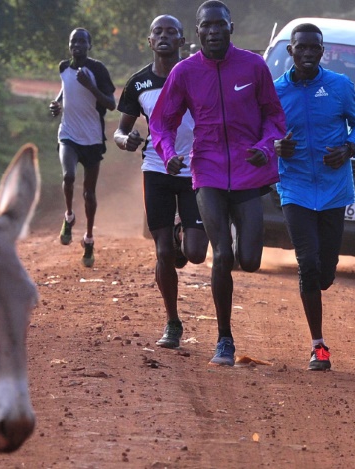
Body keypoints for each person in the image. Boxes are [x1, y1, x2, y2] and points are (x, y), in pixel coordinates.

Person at [149, 1, 286, 366]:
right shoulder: (185, 72)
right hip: (206, 170)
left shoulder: (254, 66)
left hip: (248, 172)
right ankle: (224, 338)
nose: (213, 31)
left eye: (219, 25)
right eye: (206, 26)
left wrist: (263, 146)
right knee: (221, 255)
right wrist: (167, 154)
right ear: (197, 32)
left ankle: (235, 242)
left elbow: (274, 116)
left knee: (250, 260)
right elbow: (162, 121)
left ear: (231, 27)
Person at [273, 23, 355, 370]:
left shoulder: (340, 86)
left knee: (324, 273)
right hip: (294, 186)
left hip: (333, 190)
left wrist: (348, 148)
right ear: (291, 51)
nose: (308, 54)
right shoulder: (275, 91)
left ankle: (323, 273)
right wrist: (275, 146)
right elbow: (259, 133)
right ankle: (318, 346)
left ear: (322, 51)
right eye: (302, 48)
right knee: (307, 264)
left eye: (315, 48)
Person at [114, 15, 209, 349]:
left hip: (197, 171)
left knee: (195, 254)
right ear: (150, 41)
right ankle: (172, 322)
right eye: (158, 32)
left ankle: (183, 228)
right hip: (156, 170)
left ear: (182, 41)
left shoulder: (199, 75)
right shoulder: (138, 83)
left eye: (172, 32)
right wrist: (124, 140)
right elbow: (120, 129)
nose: (164, 36)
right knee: (164, 251)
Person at [49, 28, 116, 267]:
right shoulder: (63, 67)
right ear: (69, 46)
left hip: (92, 139)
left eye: (81, 41)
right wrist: (57, 103)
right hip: (68, 134)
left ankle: (88, 240)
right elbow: (65, 87)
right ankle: (69, 216)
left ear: (89, 45)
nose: (77, 44)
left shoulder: (97, 70)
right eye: (73, 41)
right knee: (68, 176)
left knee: (89, 193)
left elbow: (111, 104)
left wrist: (90, 86)